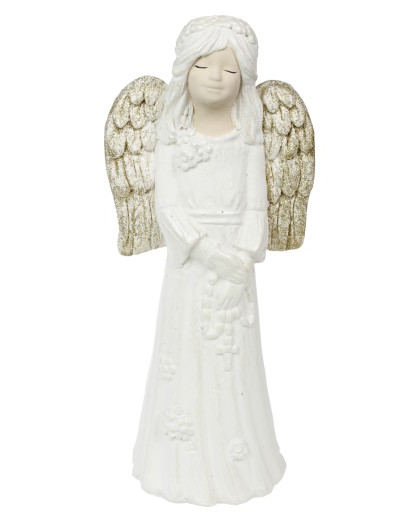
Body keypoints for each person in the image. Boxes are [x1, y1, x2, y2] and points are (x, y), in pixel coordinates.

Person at [132, 16, 286, 506]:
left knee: (232, 362)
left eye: (230, 68)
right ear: (185, 71)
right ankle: (180, 464)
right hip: (192, 266)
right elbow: (168, 209)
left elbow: (257, 208)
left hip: (235, 274)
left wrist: (243, 255)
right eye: (204, 65)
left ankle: (239, 461)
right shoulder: (171, 139)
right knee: (185, 357)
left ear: (245, 78)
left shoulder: (248, 140)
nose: (217, 76)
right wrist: (212, 254)